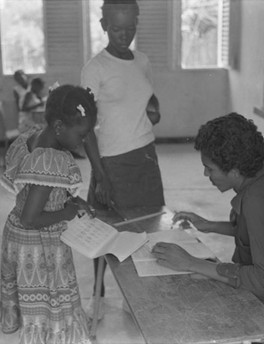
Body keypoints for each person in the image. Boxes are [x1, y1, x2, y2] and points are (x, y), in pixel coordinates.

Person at [80, 0, 165, 319]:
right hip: (111, 161)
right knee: (104, 231)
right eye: (116, 29)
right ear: (103, 25)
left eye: (130, 29)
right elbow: (85, 126)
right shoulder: (95, 67)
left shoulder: (142, 60)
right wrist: (100, 175)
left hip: (145, 156)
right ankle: (97, 293)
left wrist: (153, 109)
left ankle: (138, 293)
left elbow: (147, 94)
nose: (123, 35)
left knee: (145, 229)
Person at [0, 85, 97, 343]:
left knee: (37, 308)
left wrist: (74, 199)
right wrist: (67, 212)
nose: (83, 141)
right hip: (38, 245)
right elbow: (31, 218)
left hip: (17, 238)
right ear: (60, 127)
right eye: (82, 134)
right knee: (52, 306)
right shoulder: (51, 159)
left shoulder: (34, 138)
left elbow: (41, 187)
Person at [152, 113, 264, 311]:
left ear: (235, 171)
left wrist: (191, 263)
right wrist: (210, 225)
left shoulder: (255, 202)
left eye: (210, 169)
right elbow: (258, 233)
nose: (206, 174)